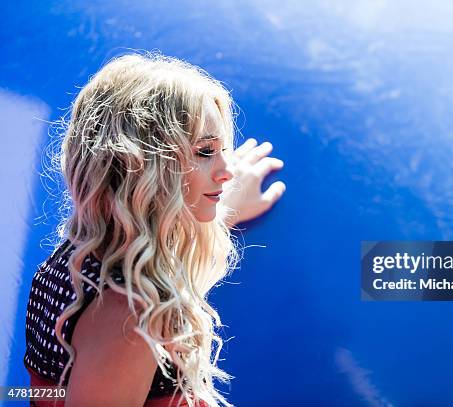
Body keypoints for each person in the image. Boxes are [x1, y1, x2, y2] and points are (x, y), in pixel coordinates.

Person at [23, 53, 286, 407]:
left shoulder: (76, 258)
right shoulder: (130, 316)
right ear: (141, 168)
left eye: (223, 149)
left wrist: (218, 210)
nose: (228, 170)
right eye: (205, 151)